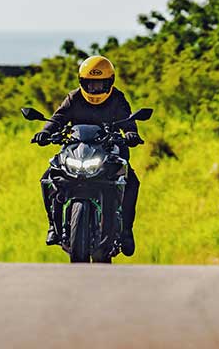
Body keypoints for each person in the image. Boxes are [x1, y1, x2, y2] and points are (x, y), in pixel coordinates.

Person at [32, 55, 142, 256]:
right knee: (47, 177)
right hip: (77, 150)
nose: (95, 89)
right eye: (90, 84)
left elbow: (128, 121)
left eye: (100, 84)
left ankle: (126, 231)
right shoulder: (74, 98)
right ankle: (52, 226)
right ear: (82, 82)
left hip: (109, 150)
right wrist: (45, 132)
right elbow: (58, 118)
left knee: (132, 181)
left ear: (110, 83)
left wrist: (131, 134)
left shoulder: (117, 99)